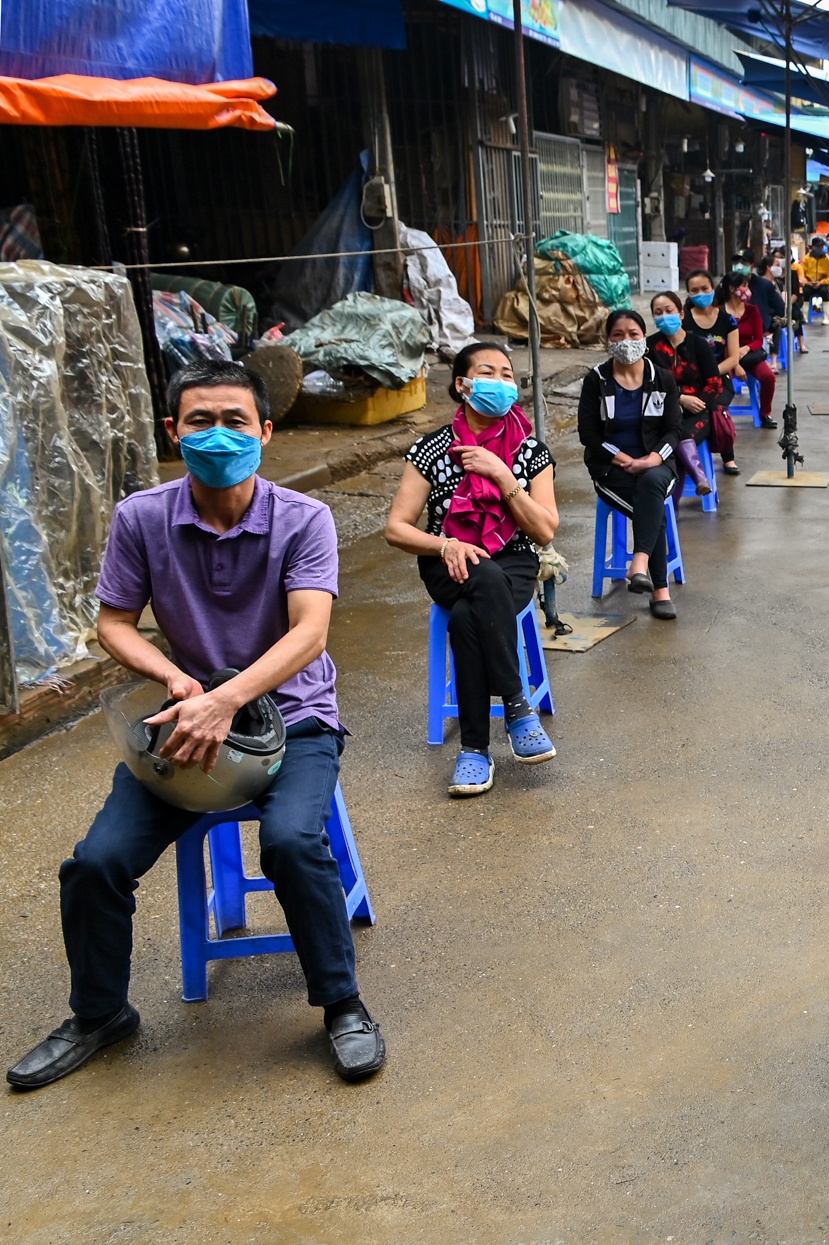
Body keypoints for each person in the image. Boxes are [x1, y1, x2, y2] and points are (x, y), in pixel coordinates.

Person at [6, 359, 388, 1091]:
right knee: (96, 862)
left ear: (266, 431)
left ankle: (342, 1004)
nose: (219, 434)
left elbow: (310, 633)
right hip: (185, 719)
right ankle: (99, 1013)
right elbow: (113, 622)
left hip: (296, 719)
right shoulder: (142, 518)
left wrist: (226, 698)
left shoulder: (302, 518)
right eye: (201, 420)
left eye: (236, 420)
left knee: (289, 843)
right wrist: (177, 680)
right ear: (172, 430)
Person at [385, 342, 560, 797]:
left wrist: (503, 477)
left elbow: (544, 531)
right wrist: (446, 543)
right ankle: (518, 708)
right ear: (462, 385)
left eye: (507, 374)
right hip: (446, 559)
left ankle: (475, 750)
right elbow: (396, 529)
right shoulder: (432, 449)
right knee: (477, 575)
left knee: (467, 616)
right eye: (488, 372)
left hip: (513, 561)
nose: (500, 382)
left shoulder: (529, 451)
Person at [577, 309, 682, 621]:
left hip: (657, 460)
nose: (626, 341)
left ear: (644, 338)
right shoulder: (596, 380)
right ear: (607, 341)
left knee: (651, 483)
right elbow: (589, 434)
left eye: (633, 334)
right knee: (653, 507)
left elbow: (675, 429)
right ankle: (659, 590)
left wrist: (652, 457)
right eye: (618, 335)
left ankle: (639, 564)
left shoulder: (661, 378)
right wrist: (622, 458)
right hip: (611, 467)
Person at [649, 291, 730, 492]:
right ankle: (698, 477)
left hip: (699, 410)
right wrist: (680, 399)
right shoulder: (650, 347)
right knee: (672, 432)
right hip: (664, 410)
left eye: (669, 310)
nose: (664, 316)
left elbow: (714, 384)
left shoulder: (699, 345)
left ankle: (674, 505)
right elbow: (649, 383)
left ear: (681, 314)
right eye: (658, 312)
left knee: (675, 439)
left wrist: (696, 403)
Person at [682, 271, 743, 476]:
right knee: (699, 408)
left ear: (713, 288)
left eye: (704, 288)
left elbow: (733, 358)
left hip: (719, 379)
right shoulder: (684, 321)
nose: (700, 293)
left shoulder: (727, 320)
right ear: (688, 293)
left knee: (715, 405)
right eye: (694, 290)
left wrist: (710, 373)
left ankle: (725, 456)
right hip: (690, 380)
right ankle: (690, 458)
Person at [723, 270, 779, 429]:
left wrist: (745, 349)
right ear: (732, 289)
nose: (747, 289)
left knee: (768, 377)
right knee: (723, 382)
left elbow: (759, 339)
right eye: (744, 285)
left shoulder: (752, 310)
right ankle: (722, 417)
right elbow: (721, 343)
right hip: (727, 358)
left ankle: (765, 413)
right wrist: (735, 364)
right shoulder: (720, 312)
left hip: (750, 356)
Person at [800, 235, 829, 319]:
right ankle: (805, 317)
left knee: (824, 292)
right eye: (818, 246)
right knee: (806, 292)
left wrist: (821, 282)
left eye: (822, 246)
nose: (820, 248)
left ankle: (826, 317)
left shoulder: (828, 259)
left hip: (822, 283)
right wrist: (808, 283)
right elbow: (802, 274)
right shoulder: (806, 258)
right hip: (809, 283)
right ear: (813, 247)